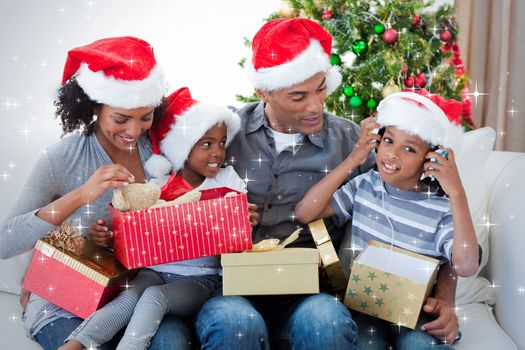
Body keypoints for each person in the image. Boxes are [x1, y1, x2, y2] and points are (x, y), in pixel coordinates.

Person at [194, 17, 461, 349]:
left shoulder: (352, 140)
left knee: (327, 321)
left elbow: (436, 217)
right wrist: (214, 217)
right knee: (235, 324)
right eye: (298, 96)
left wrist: (446, 298)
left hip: (311, 295)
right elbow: (169, 196)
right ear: (263, 91)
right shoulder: (224, 134)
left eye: (321, 88)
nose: (316, 105)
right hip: (232, 291)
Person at [0, 36, 189, 350]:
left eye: (145, 117)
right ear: (95, 106)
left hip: (138, 301)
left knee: (173, 342)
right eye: (121, 119)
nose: (133, 131)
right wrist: (80, 195)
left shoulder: (161, 149)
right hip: (68, 302)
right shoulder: (63, 157)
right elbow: (5, 240)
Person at [60, 86, 254, 350]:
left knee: (153, 297)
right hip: (155, 271)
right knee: (128, 298)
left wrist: (243, 219)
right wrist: (114, 234)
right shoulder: (159, 184)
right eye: (207, 144)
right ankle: (73, 345)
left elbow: (237, 221)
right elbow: (136, 224)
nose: (218, 152)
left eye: (221, 142)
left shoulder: (227, 179)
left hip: (199, 279)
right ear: (183, 148)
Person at [295, 89, 480, 349]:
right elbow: (305, 212)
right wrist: (354, 159)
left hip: (416, 314)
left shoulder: (440, 208)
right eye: (389, 141)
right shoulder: (365, 186)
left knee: (420, 345)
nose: (392, 154)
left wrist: (457, 193)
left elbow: (467, 265)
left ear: (430, 159)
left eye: (409, 148)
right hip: (365, 310)